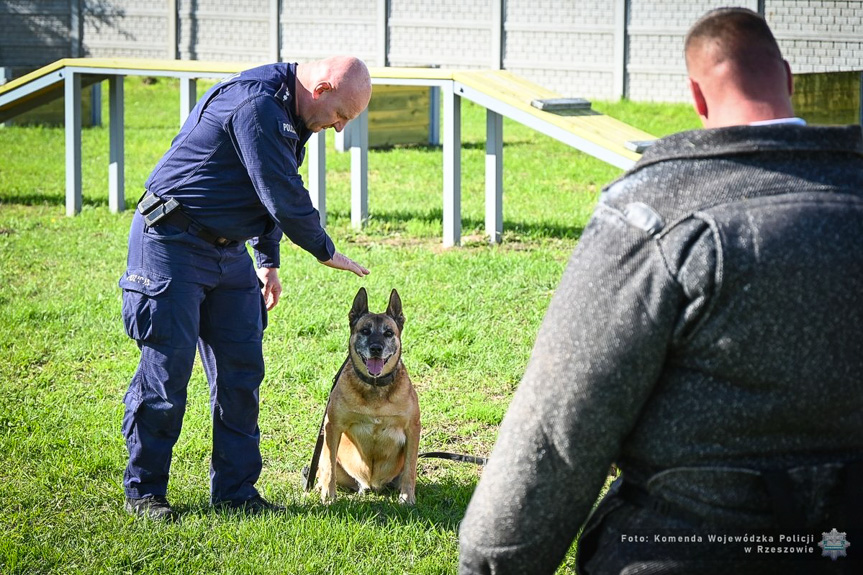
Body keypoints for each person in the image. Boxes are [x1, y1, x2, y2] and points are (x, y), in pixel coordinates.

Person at [459, 8, 863, 574]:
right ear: (790, 80)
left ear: (697, 97)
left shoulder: (653, 214)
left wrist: (492, 561)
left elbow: (563, 424)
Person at [119, 55, 372, 520]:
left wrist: (267, 261)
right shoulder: (255, 104)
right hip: (172, 240)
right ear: (321, 89)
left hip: (227, 250)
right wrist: (323, 249)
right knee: (166, 375)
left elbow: (265, 187)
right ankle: (145, 491)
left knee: (241, 372)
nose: (339, 129)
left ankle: (236, 492)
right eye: (341, 116)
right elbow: (281, 193)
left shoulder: (291, 112)